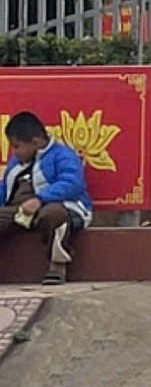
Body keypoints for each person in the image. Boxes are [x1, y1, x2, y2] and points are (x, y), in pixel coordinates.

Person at [3, 111, 92, 285]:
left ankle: (57, 265)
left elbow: (72, 183)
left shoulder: (63, 155)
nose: (14, 151)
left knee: (54, 214)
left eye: (17, 146)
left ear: (35, 142)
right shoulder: (16, 163)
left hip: (56, 207)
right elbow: (4, 189)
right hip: (21, 211)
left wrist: (40, 199)